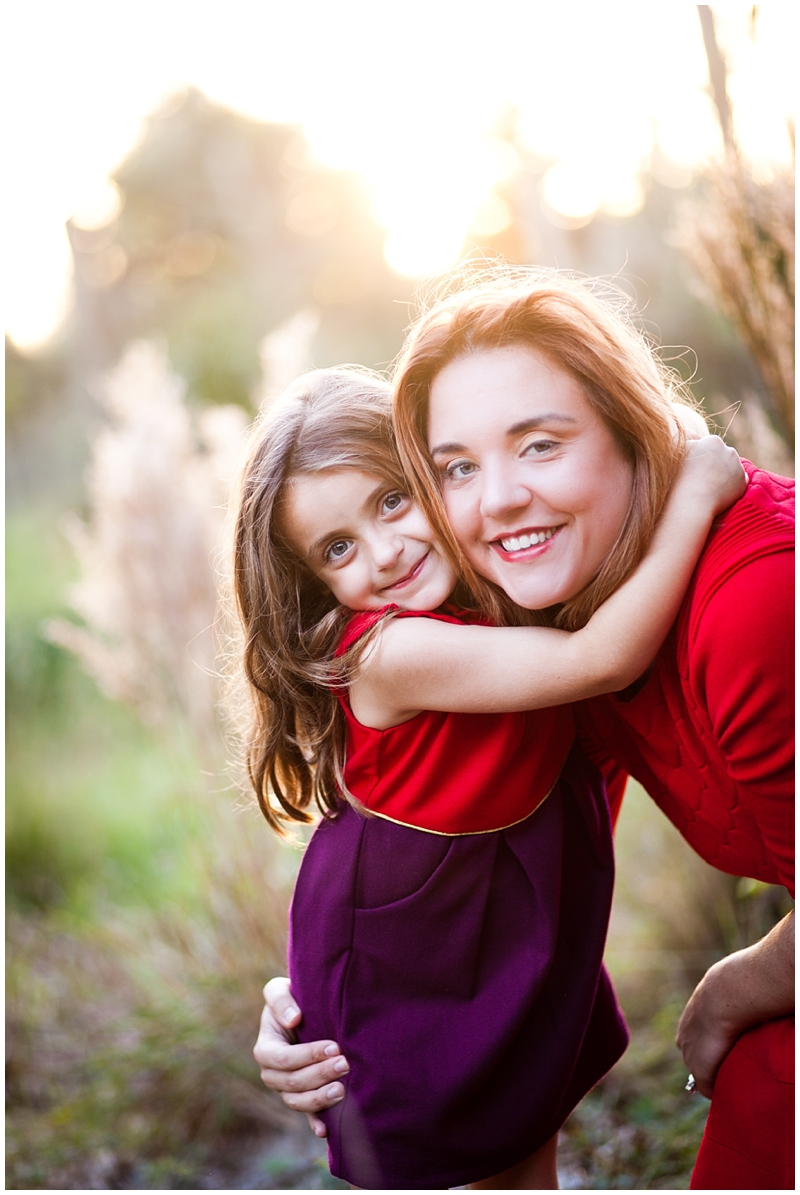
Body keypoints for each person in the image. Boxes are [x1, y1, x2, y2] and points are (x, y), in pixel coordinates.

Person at [253, 272, 794, 1191]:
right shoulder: (422, 641)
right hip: (425, 948)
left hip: (508, 924)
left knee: (521, 1143)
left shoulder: (551, 608)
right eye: (460, 466)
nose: (385, 553)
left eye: (395, 501)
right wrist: (302, 991)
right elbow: (599, 665)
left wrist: (750, 980)